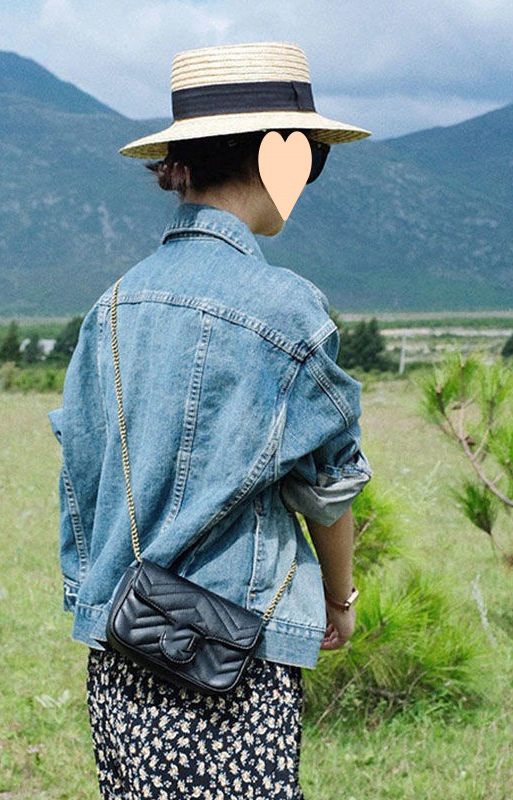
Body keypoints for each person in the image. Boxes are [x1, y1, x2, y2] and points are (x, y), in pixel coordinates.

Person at [48, 41, 373, 800]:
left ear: (182, 165)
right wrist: (340, 598)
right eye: (310, 159)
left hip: (121, 648)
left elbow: (82, 479)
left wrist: (91, 600)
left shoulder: (112, 306)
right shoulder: (288, 308)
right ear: (276, 155)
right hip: (233, 655)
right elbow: (329, 488)